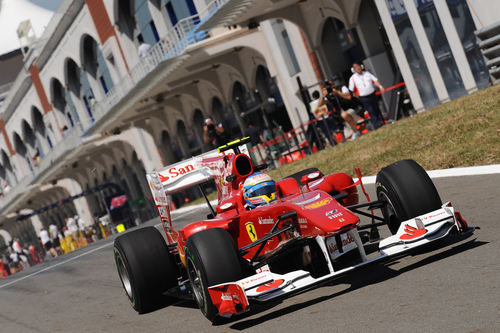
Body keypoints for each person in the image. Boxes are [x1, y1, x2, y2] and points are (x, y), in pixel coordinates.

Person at [348, 61, 385, 129]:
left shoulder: (367, 74)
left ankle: (381, 121)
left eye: (358, 66)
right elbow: (351, 90)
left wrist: (380, 86)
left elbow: (375, 81)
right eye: (355, 67)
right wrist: (356, 98)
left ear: (361, 66)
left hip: (372, 94)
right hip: (363, 97)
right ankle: (377, 124)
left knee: (376, 108)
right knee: (371, 110)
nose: (357, 68)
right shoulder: (352, 78)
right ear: (353, 69)